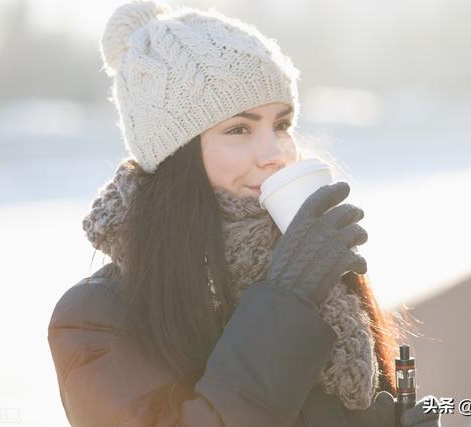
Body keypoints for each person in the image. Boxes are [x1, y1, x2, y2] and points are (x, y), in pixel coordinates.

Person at [47, 1, 442, 426]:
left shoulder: (319, 275)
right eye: (239, 129)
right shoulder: (96, 316)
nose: (274, 154)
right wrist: (286, 300)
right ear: (174, 155)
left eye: (282, 124)